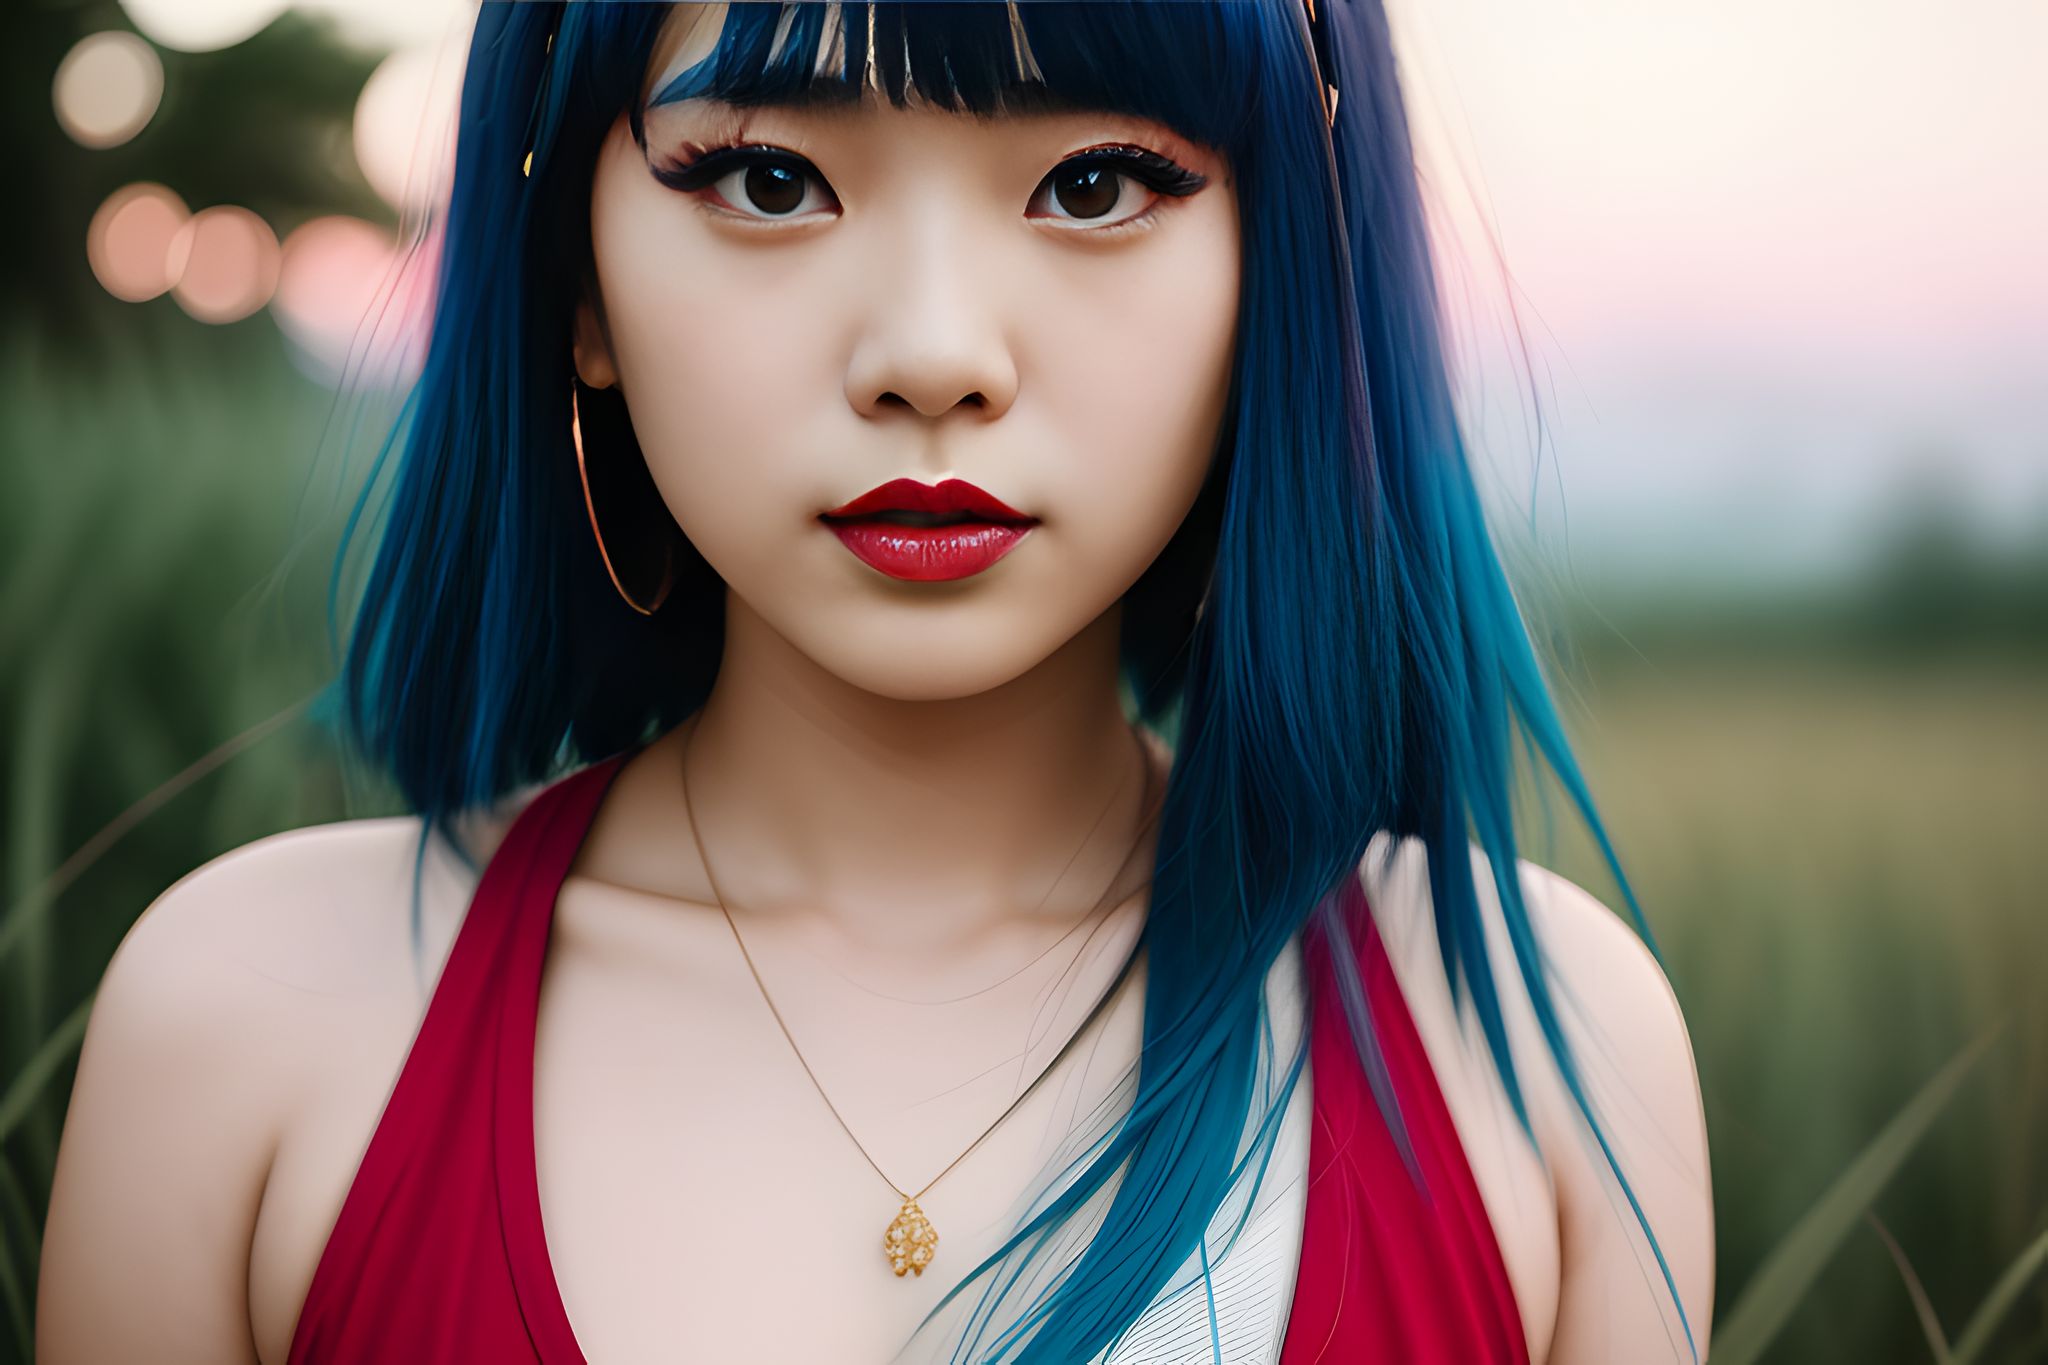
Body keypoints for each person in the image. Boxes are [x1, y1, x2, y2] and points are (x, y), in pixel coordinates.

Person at [36, 2, 1714, 1361]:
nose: (930, 353)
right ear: (575, 277)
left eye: (1098, 180)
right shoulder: (253, 1032)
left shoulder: (1539, 1056)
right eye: (768, 179)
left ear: (1282, 262)